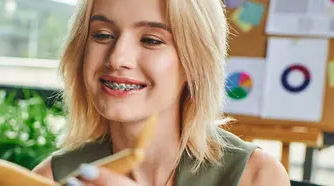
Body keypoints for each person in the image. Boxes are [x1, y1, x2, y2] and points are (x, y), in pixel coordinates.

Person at [32, 0, 291, 185]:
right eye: (102, 35)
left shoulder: (258, 177)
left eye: (151, 40)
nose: (118, 58)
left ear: (194, 62)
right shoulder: (49, 179)